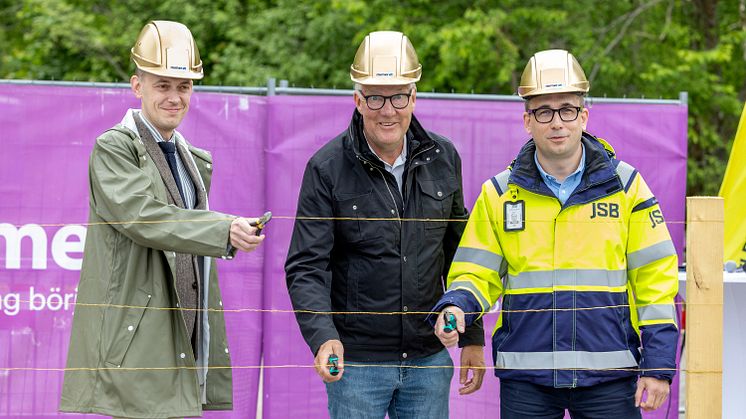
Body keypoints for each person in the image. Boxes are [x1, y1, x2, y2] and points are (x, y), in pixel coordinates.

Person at [431, 49, 679, 418]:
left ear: (584, 116)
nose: (557, 122)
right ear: (527, 120)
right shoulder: (499, 194)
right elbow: (475, 272)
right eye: (544, 112)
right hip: (527, 378)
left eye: (566, 109)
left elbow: (655, 280)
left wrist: (658, 366)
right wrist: (456, 306)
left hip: (608, 376)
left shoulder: (626, 187)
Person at [59, 20, 264, 418]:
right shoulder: (113, 147)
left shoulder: (190, 158)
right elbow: (144, 217)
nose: (175, 97)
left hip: (182, 336)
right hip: (136, 346)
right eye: (163, 85)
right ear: (138, 86)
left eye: (184, 86)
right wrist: (223, 229)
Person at [285, 31, 485, 418]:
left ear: (414, 96)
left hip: (429, 361)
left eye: (398, 96)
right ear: (358, 99)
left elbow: (462, 257)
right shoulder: (326, 168)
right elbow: (306, 267)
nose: (388, 110)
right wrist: (323, 337)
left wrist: (471, 337)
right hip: (357, 368)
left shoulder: (445, 158)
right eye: (375, 96)